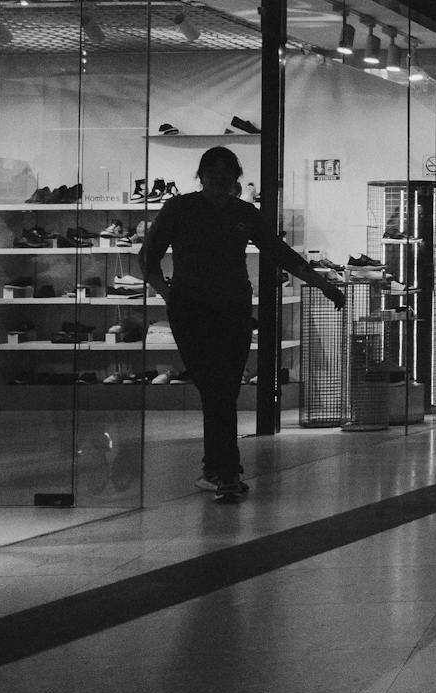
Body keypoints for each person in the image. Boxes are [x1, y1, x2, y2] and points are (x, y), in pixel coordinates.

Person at [140, 146, 344, 501]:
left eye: (226, 170)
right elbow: (148, 258)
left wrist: (322, 283)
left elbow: (278, 251)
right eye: (212, 170)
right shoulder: (180, 208)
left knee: (225, 389)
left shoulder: (244, 213)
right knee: (215, 388)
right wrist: (169, 295)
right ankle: (226, 472)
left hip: (233, 309)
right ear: (200, 175)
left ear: (235, 177)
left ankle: (216, 470)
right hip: (192, 310)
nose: (219, 176)